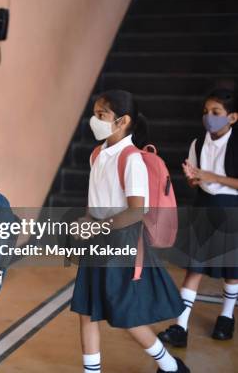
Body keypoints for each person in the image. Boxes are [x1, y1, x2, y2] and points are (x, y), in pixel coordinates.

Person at [71, 90, 189, 373]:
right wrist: (86, 221)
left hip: (120, 245)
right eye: (95, 113)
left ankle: (170, 366)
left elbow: (136, 211)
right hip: (97, 243)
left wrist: (97, 226)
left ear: (122, 121)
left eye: (102, 115)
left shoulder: (132, 159)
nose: (94, 120)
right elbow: (95, 203)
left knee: (127, 316)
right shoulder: (97, 154)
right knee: (87, 311)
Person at [158, 88, 238, 347]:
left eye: (216, 113)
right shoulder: (198, 142)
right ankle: (181, 326)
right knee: (194, 267)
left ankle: (226, 317)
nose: (209, 117)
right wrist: (193, 179)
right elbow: (196, 182)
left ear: (232, 118)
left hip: (231, 210)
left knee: (232, 270)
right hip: (203, 207)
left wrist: (212, 177)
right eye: (206, 112)